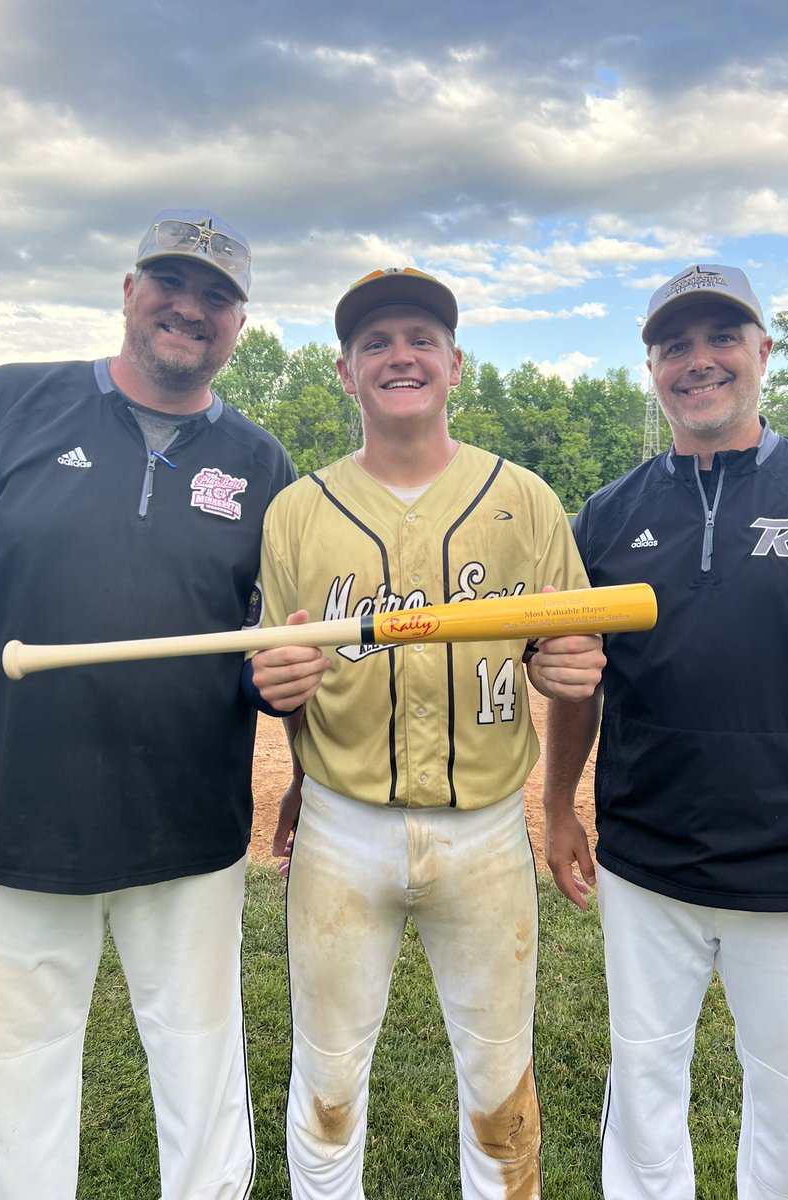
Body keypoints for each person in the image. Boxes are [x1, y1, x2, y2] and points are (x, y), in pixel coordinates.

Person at [0, 208, 296, 1199]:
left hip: (186, 823)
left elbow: (261, 646)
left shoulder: (262, 464)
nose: (190, 308)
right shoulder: (8, 405)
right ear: (128, 291)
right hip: (19, 809)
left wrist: (276, 684)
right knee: (14, 1067)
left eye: (217, 296)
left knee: (199, 1054)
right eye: (170, 282)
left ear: (239, 323)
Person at [245, 266, 605, 1199]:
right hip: (341, 827)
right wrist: (284, 725)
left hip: (484, 830)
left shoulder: (526, 498)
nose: (399, 356)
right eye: (376, 342)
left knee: (500, 1079)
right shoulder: (296, 511)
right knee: (326, 1080)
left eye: (421, 339)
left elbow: (572, 660)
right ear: (345, 372)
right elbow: (285, 676)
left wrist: (563, 689)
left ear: (456, 363)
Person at [544, 263, 788, 1198]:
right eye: (675, 345)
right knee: (643, 1076)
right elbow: (579, 681)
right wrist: (558, 806)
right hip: (649, 857)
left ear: (763, 352)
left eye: (722, 338)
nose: (699, 361)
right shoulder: (608, 515)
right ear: (652, 368)